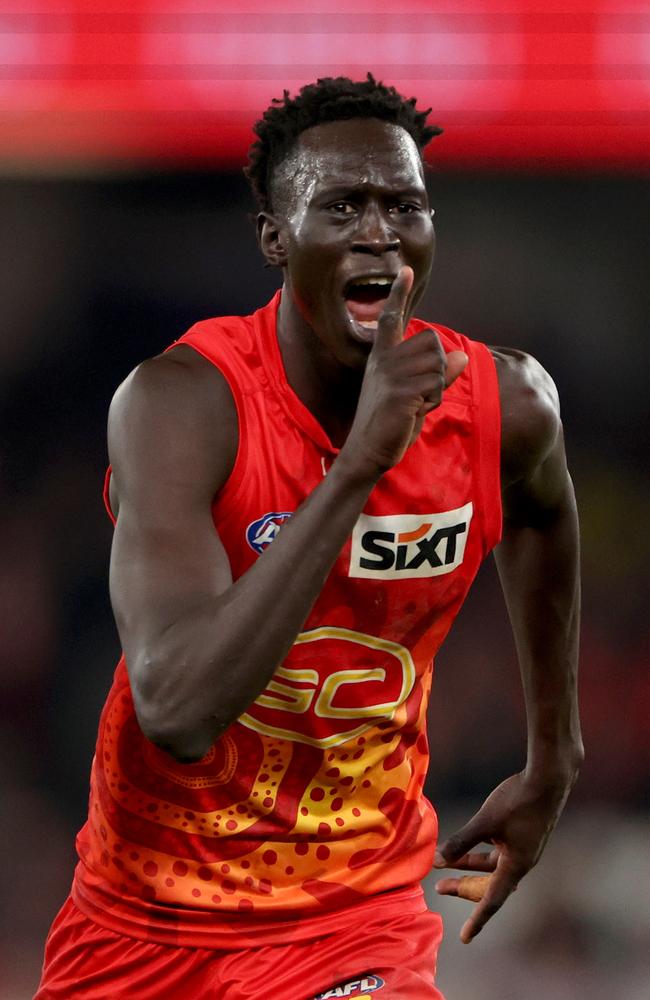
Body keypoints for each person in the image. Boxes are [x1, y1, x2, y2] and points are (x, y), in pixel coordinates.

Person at [36, 75, 583, 1000]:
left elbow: (543, 511)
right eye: (342, 206)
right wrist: (356, 469)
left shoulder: (505, 405)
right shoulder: (181, 406)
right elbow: (175, 709)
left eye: (404, 204)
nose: (379, 230)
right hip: (145, 924)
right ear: (274, 238)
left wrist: (553, 755)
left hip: (351, 919)